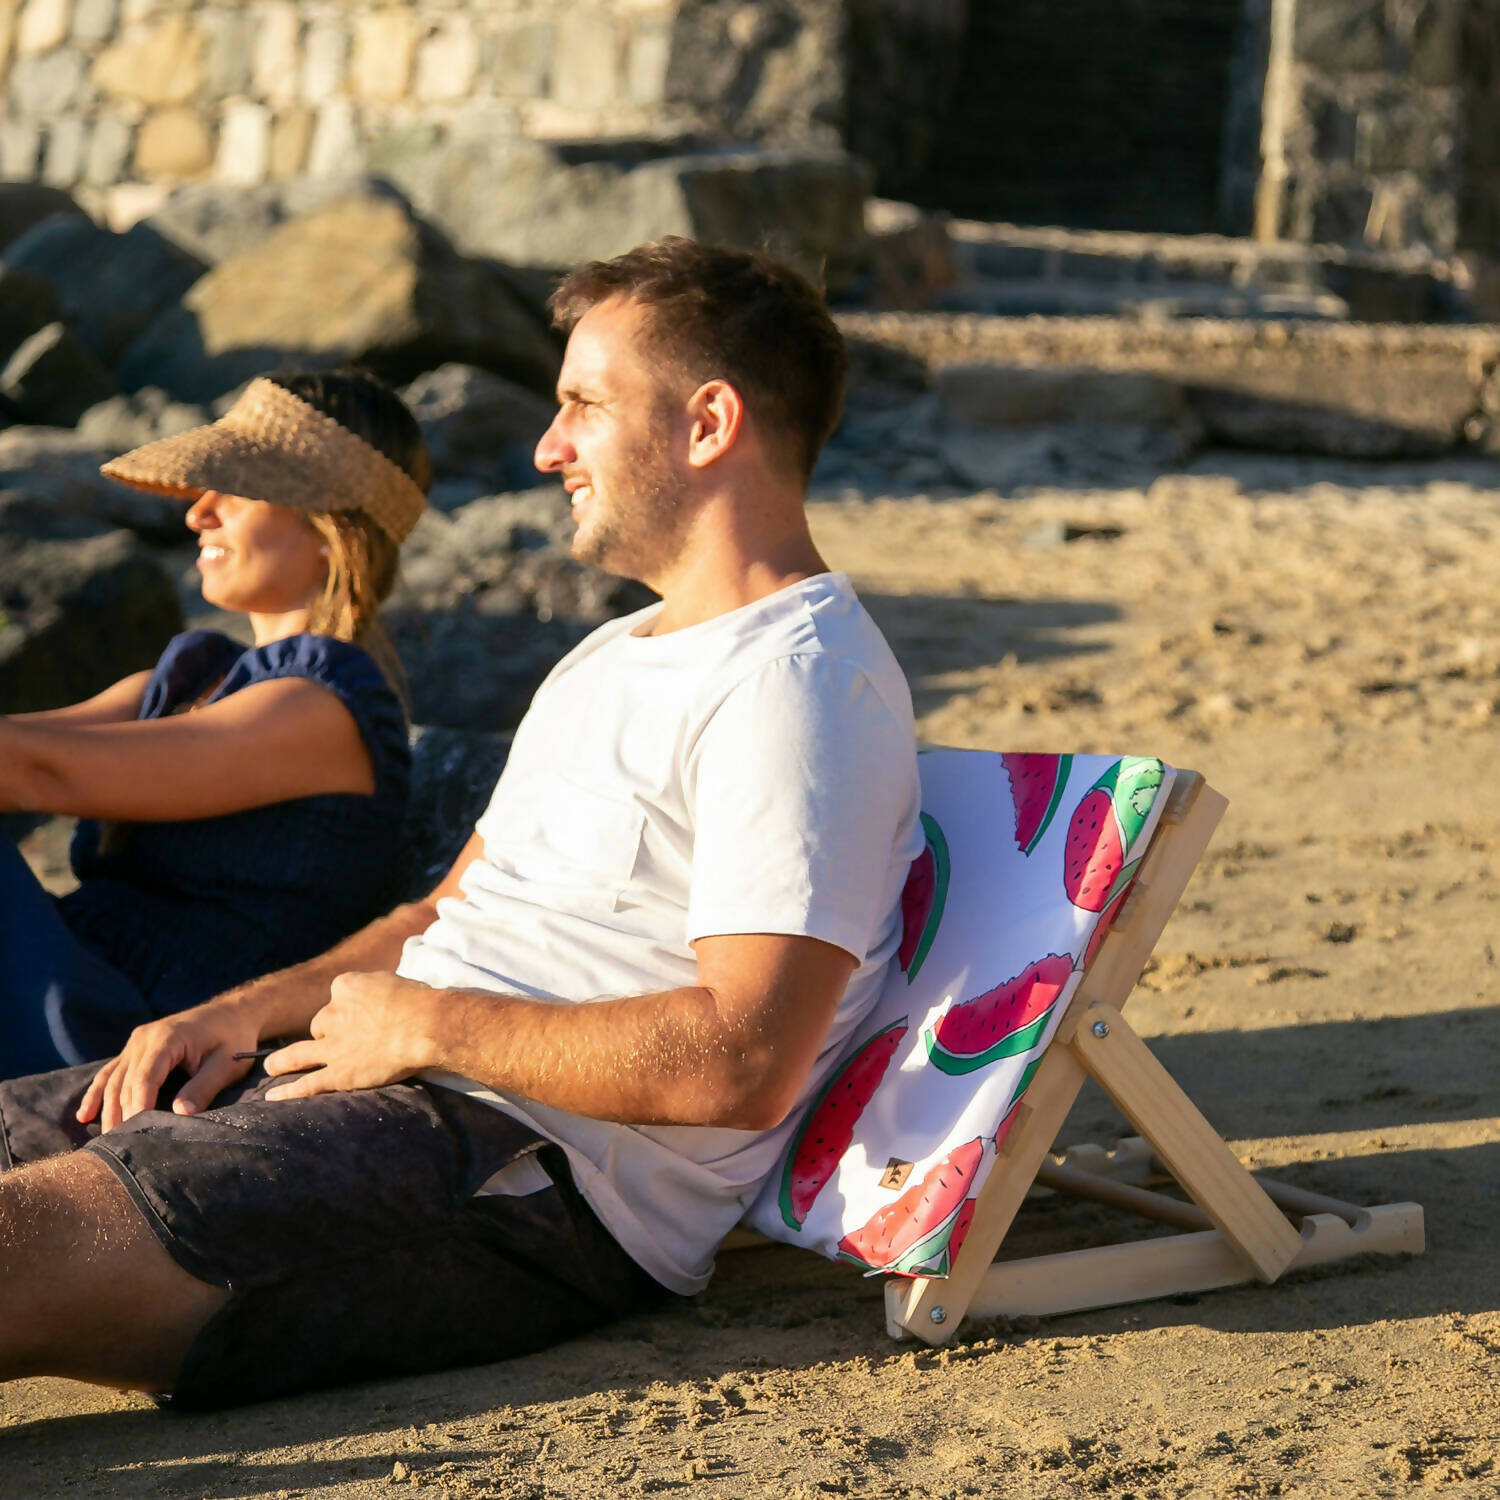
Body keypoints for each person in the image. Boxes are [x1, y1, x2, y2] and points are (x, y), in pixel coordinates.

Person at [0, 239, 922, 1410]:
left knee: (22, 1242)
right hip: (381, 1074)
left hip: (521, 1174)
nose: (548, 449)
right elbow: (442, 911)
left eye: (583, 405)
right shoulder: (606, 656)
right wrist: (234, 1013)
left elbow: (743, 1059)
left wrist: (434, 1027)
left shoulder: (800, 683)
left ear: (707, 424)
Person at [0, 370, 428, 1080]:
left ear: (332, 525)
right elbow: (25, 748)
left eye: (239, 485)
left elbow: (34, 768)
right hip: (64, 978)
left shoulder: (324, 707)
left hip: (129, 1037)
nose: (200, 511)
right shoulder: (194, 677)